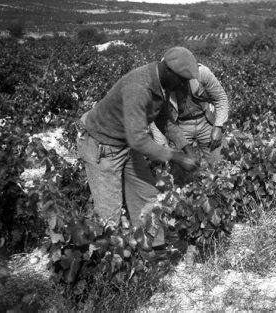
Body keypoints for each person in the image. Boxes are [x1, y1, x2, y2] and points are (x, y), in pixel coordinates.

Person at [76, 47, 201, 245]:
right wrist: (177, 157)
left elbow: (165, 120)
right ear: (169, 70)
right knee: (109, 216)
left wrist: (187, 148)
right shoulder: (139, 88)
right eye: (182, 79)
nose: (184, 85)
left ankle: (152, 249)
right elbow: (138, 140)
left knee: (147, 196)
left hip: (125, 144)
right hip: (102, 147)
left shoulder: (161, 84)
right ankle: (107, 266)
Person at [150, 63, 229, 163]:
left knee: (218, 162)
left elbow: (220, 98)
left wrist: (218, 126)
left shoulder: (201, 73)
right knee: (182, 167)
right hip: (179, 126)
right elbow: (157, 115)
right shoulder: (160, 84)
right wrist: (163, 145)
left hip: (206, 120)